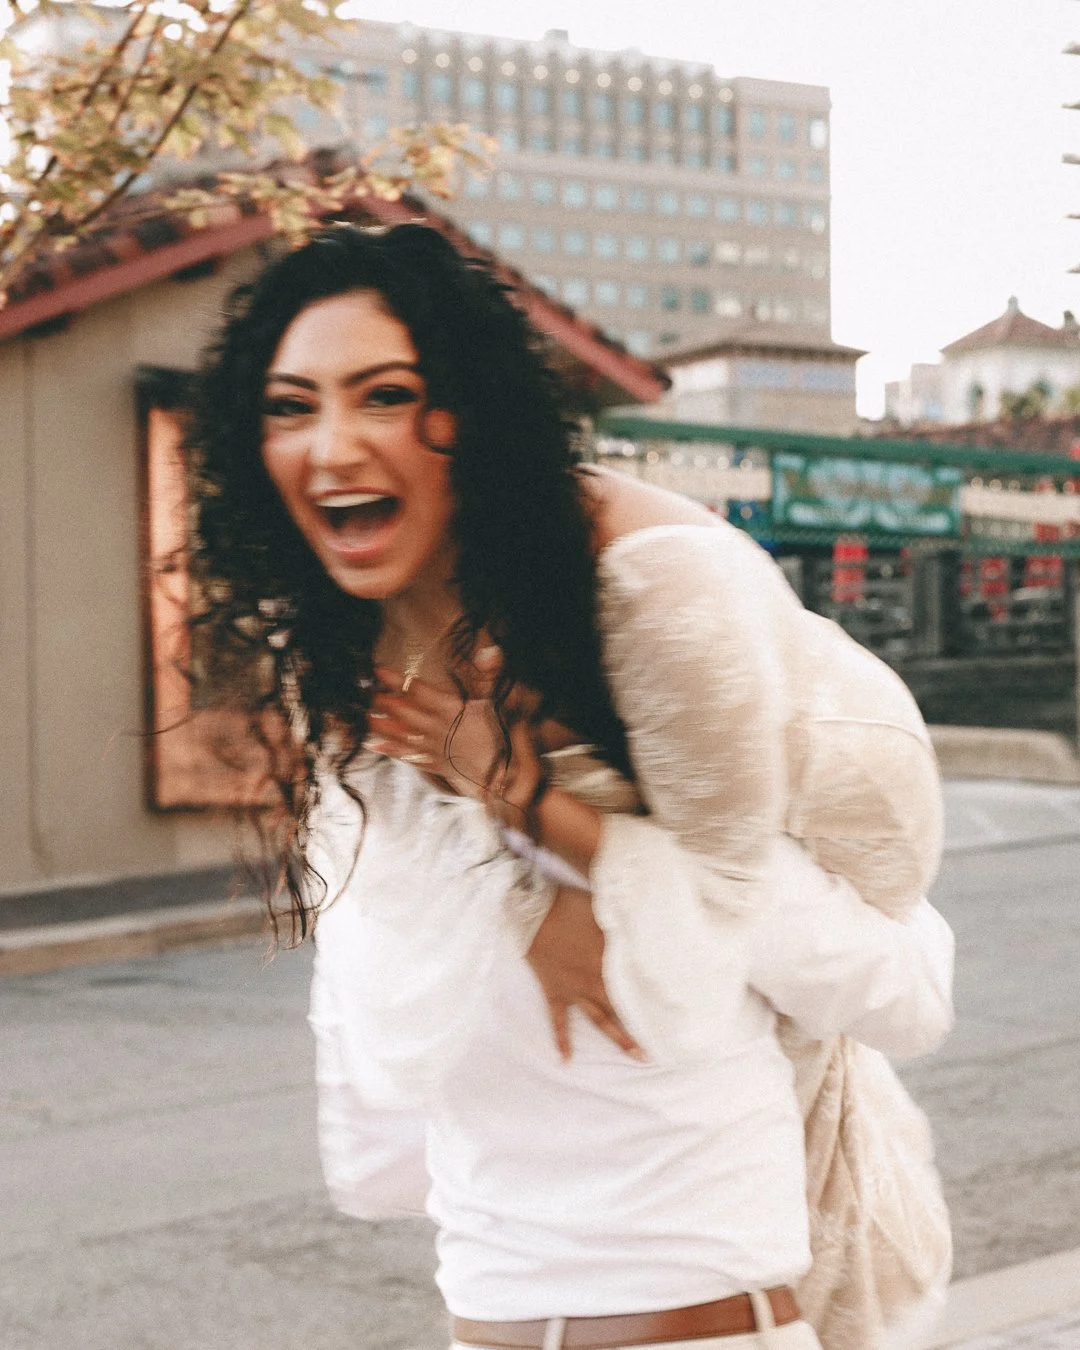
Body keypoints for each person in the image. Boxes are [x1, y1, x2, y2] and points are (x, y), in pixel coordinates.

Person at [188, 223, 954, 1350]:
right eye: (290, 406)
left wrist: (570, 835)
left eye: (386, 394)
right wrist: (497, 888)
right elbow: (381, 1137)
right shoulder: (366, 744)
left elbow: (904, 995)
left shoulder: (657, 639)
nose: (334, 444)